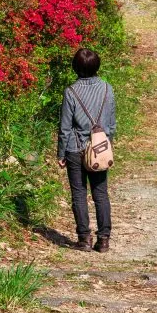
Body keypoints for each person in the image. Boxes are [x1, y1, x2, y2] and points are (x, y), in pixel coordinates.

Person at [57, 47, 115, 252]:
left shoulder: (71, 92)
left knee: (79, 194)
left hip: (75, 148)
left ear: (75, 67)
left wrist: (61, 153)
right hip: (100, 148)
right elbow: (111, 123)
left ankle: (84, 238)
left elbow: (65, 127)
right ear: (97, 66)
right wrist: (108, 144)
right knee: (101, 193)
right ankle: (104, 239)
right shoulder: (107, 88)